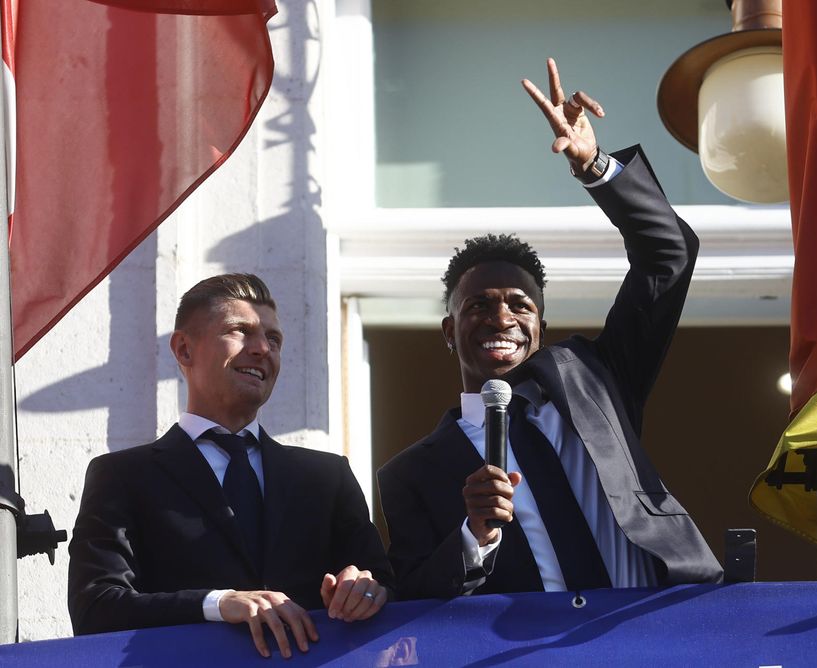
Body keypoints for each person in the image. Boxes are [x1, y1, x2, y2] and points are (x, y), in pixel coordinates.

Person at [377, 59, 723, 600]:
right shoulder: (408, 475)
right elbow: (414, 600)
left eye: (519, 305)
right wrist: (476, 534)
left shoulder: (596, 381)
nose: (500, 319)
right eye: (478, 306)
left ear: (541, 327)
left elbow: (668, 255)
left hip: (651, 634)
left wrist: (596, 166)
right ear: (449, 330)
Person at [68, 273, 392, 659]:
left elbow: (389, 591)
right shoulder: (122, 477)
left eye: (274, 339)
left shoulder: (327, 477)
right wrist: (218, 604)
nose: (262, 349)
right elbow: (95, 607)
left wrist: (364, 590)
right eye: (241, 331)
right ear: (184, 350)